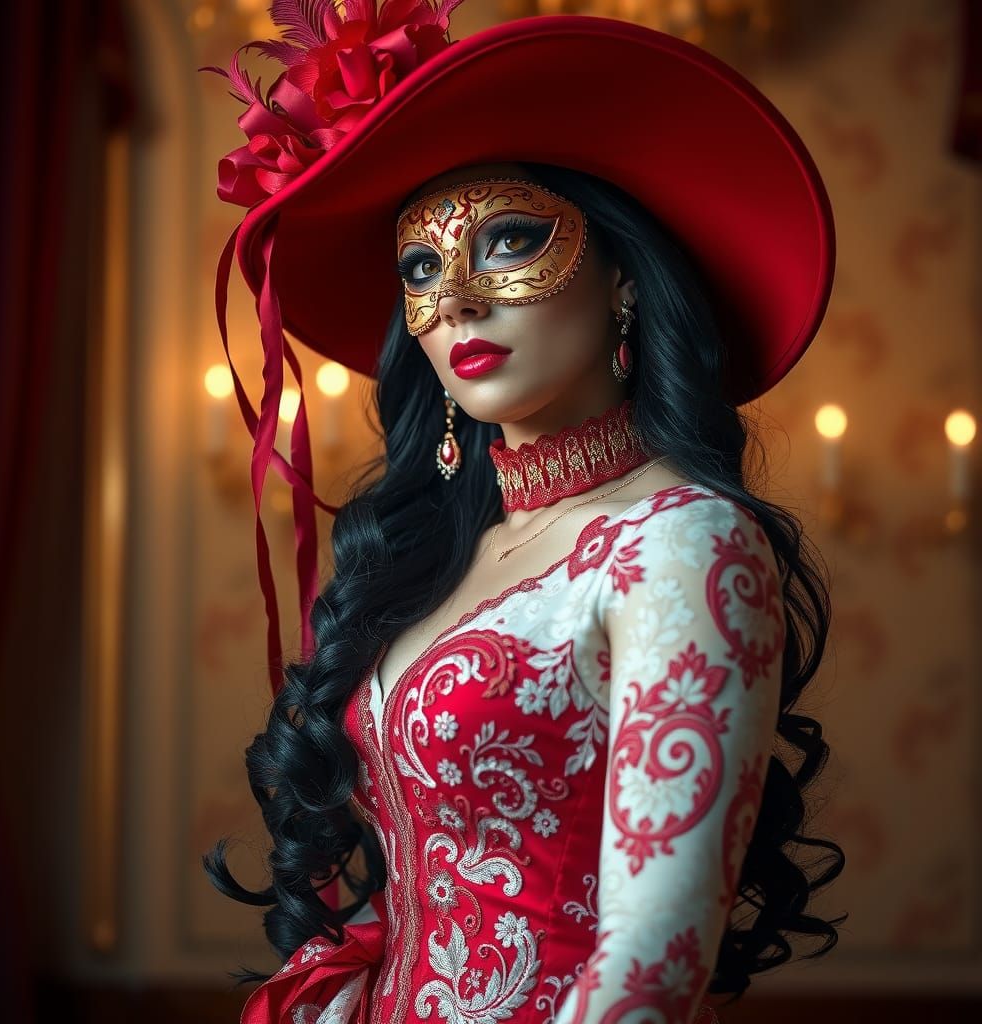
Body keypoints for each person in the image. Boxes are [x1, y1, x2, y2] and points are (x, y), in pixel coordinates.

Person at [201, 3, 846, 1022]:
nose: (454, 298)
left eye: (507, 240)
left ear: (621, 279)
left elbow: (647, 971)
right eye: (420, 266)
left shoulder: (681, 545)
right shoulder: (446, 548)